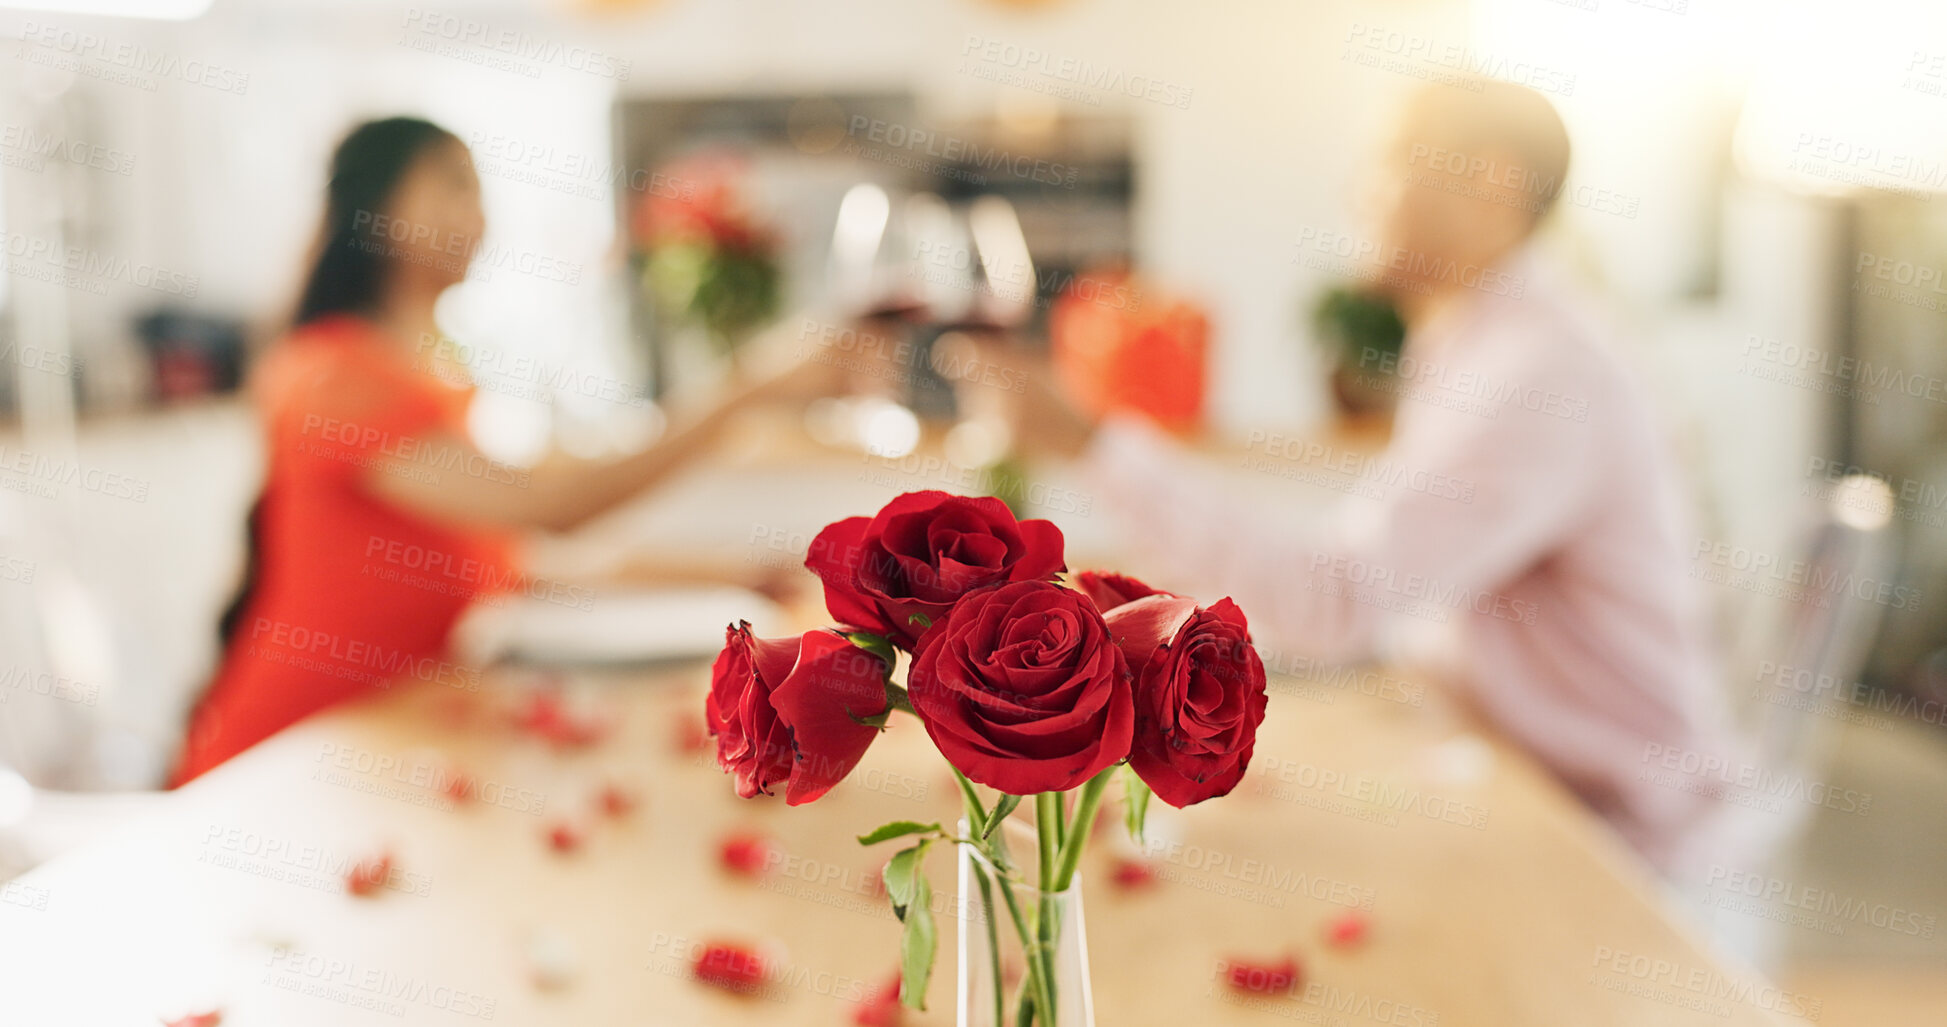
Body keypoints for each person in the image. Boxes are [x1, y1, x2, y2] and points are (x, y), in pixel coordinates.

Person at [986, 81, 1745, 878]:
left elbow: (1337, 600)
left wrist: (1089, 443)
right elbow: (1371, 587)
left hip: (1607, 842)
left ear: (1489, 183)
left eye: (1387, 164)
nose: (1358, 193)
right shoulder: (1482, 340)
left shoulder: (1539, 374)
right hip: (1518, 780)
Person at [171, 117, 833, 785]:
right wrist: (754, 387)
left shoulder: (427, 384)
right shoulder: (331, 377)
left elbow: (515, 561)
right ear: (377, 208)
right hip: (280, 766)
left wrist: (729, 575)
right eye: (454, 185)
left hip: (377, 751)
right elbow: (552, 504)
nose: (479, 215)